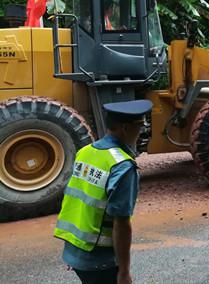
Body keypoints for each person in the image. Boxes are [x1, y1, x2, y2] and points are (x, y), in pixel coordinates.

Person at [54, 99, 153, 284]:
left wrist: (75, 256)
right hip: (100, 261)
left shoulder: (86, 151)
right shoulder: (122, 166)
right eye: (140, 126)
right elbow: (122, 223)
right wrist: (124, 272)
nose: (142, 131)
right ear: (125, 128)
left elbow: (76, 202)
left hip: (76, 254)